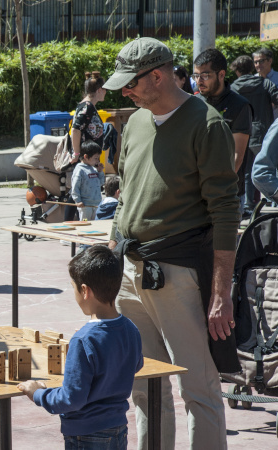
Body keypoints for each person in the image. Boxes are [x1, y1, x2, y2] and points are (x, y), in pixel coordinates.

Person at [103, 37, 239, 450]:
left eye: (131, 84)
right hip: (129, 269)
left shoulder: (207, 123)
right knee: (144, 386)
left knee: (197, 387)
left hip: (177, 270)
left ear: (157, 76)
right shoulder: (137, 122)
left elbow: (225, 212)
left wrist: (220, 292)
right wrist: (112, 265)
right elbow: (126, 194)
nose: (125, 91)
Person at [18, 245, 143, 450]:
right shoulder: (130, 328)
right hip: (118, 427)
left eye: (74, 287)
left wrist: (39, 394)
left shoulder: (83, 340)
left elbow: (71, 399)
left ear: (85, 290)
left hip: (86, 435)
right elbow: (135, 364)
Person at [194, 49, 252, 213]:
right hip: (194, 194)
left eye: (205, 75)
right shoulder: (194, 103)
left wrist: (213, 189)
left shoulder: (239, 105)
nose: (199, 81)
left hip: (226, 193)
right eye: (196, 75)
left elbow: (237, 156)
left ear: (221, 74)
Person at [230, 54, 278, 215]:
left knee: (247, 170)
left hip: (241, 133)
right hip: (264, 133)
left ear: (237, 71)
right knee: (270, 166)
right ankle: (272, 200)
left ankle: (249, 205)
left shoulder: (233, 88)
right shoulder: (265, 83)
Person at [66, 71, 106, 221]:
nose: (106, 93)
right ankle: (68, 225)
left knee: (81, 192)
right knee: (77, 194)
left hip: (89, 156)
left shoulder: (87, 105)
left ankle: (70, 224)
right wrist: (77, 154)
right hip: (85, 156)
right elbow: (76, 129)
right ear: (99, 90)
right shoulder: (87, 107)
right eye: (105, 90)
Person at [70, 140, 105, 221]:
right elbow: (75, 187)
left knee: (95, 225)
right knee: (85, 225)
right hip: (85, 205)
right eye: (95, 158)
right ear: (86, 156)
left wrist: (100, 172)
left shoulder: (93, 168)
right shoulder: (79, 169)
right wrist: (78, 200)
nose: (98, 161)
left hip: (97, 204)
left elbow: (101, 183)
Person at [252, 47, 278, 119]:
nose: (257, 65)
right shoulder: (252, 80)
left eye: (261, 61)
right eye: (255, 62)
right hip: (258, 124)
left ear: (270, 61)